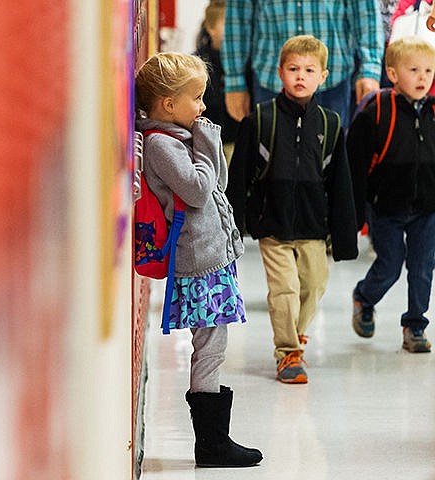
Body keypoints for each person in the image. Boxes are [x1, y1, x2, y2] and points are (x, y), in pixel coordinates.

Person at [135, 52, 262, 468]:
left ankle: (214, 439)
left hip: (213, 254)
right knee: (209, 344)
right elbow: (198, 191)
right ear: (169, 105)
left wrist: (206, 145)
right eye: (197, 98)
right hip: (197, 260)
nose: (203, 106)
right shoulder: (160, 145)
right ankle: (211, 443)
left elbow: (219, 183)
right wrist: (207, 144)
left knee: (215, 341)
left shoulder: (183, 138)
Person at [226, 36, 359, 384]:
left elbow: (340, 183)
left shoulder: (330, 124)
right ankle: (287, 354)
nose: (301, 76)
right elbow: (239, 174)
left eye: (309, 70)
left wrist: (344, 236)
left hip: (314, 224)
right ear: (280, 72)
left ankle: (296, 333)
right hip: (273, 222)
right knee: (284, 288)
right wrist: (234, 224)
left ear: (323, 76)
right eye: (293, 69)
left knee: (314, 285)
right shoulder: (260, 119)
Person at [348, 36, 435, 353]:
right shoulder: (376, 111)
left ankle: (415, 325)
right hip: (386, 209)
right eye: (414, 69)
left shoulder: (433, 112)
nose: (423, 77)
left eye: (428, 70)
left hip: (427, 209)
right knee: (390, 265)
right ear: (393, 74)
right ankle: (365, 296)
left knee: (423, 267)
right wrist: (356, 211)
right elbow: (355, 165)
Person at [221, 0, 384, 127]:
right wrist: (235, 81)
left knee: (329, 162)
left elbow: (366, 12)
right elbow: (238, 17)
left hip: (332, 81)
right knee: (269, 164)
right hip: (271, 81)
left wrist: (370, 68)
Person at [194, 0, 239, 163]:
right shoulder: (199, 61)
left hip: (235, 136)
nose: (234, 30)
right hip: (208, 137)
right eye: (227, 24)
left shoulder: (242, 62)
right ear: (210, 28)